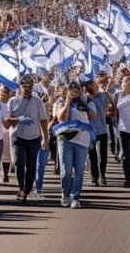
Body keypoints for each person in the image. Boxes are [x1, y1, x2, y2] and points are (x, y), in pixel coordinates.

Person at [6, 75, 50, 202]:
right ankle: (21, 188)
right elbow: (8, 121)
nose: (27, 89)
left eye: (29, 87)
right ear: (20, 87)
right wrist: (18, 119)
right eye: (24, 86)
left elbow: (43, 120)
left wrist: (45, 138)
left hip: (33, 138)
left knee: (31, 166)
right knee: (18, 163)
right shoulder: (13, 101)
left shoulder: (37, 101)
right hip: (18, 137)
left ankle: (27, 190)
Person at [55, 80, 96, 208]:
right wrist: (68, 102)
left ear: (81, 89)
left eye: (76, 87)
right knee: (66, 170)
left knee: (79, 170)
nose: (74, 90)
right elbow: (61, 118)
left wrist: (83, 102)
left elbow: (93, 116)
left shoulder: (87, 101)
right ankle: (65, 194)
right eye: (71, 87)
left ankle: (75, 197)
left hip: (82, 140)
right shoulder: (60, 101)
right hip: (65, 139)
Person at [86, 77, 110, 187]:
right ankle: (94, 177)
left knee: (102, 156)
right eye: (92, 85)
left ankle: (102, 175)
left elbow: (106, 106)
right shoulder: (84, 99)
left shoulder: (102, 96)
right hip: (90, 130)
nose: (95, 86)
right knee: (92, 155)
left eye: (95, 85)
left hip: (101, 129)